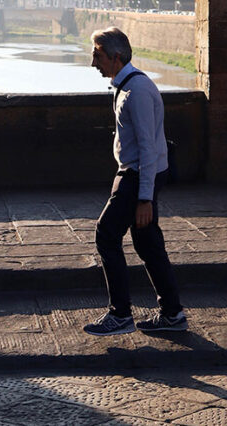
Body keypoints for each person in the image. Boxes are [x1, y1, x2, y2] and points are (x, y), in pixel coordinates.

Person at [83, 26, 187, 335]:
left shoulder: (136, 91)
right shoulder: (127, 85)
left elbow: (148, 148)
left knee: (106, 235)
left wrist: (144, 198)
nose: (93, 63)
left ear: (116, 57)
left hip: (137, 175)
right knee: (148, 243)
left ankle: (120, 314)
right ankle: (172, 314)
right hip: (139, 173)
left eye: (97, 56)